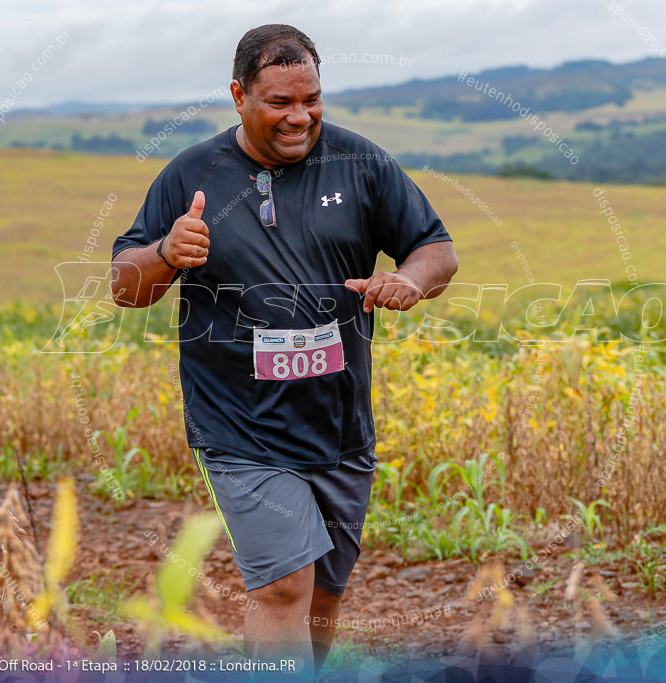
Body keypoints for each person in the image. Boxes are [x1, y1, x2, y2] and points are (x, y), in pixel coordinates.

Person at [110, 24, 457, 674]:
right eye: (280, 102)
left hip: (340, 428)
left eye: (312, 99)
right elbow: (125, 288)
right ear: (239, 96)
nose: (301, 116)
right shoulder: (192, 173)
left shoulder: (361, 164)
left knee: (323, 595)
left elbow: (437, 246)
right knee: (283, 586)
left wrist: (409, 279)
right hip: (239, 427)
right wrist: (164, 253)